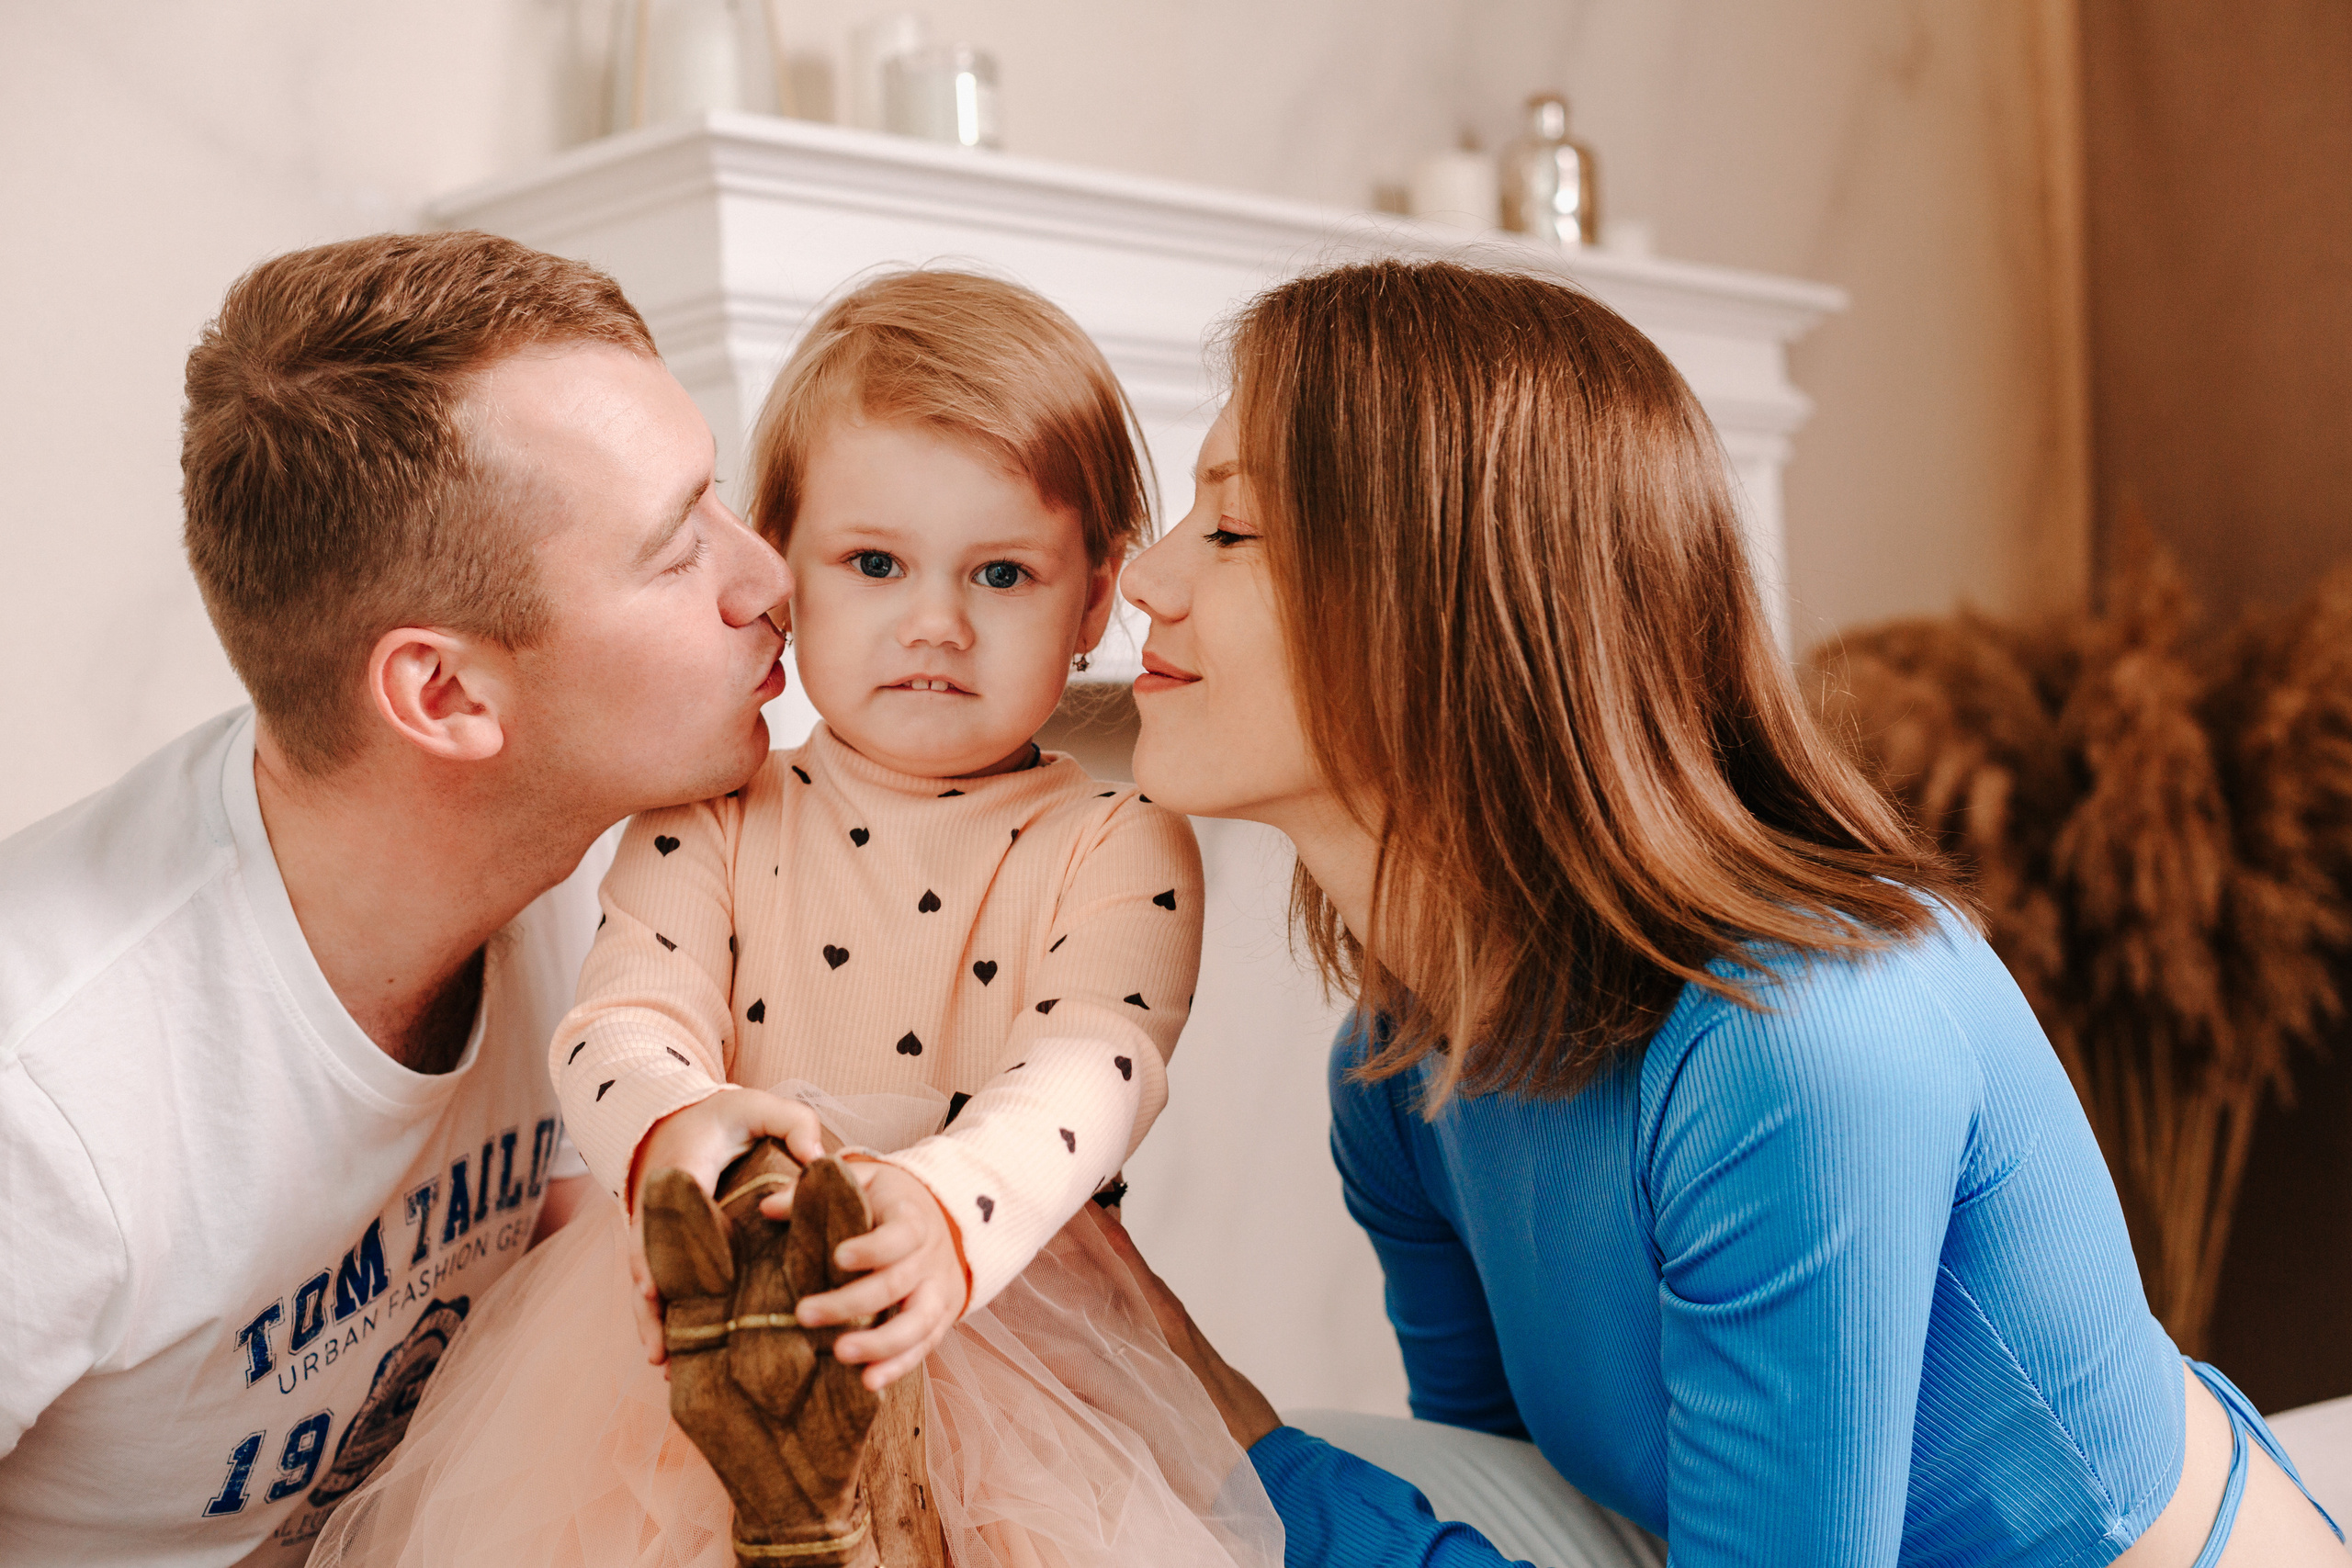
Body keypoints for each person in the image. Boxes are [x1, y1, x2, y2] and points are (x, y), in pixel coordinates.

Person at [1108, 259, 2349, 1568]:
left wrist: (1238, 1437)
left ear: (1450, 600)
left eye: (1233, 530)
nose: (1146, 577)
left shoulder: (1800, 1040)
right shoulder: (1399, 1076)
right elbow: (1489, 1503)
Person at [306, 270, 1283, 1568]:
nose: (934, 624)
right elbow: (622, 1014)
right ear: (785, 563)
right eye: (874, 563)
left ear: (1095, 598)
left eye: (1002, 573)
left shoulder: (1117, 840)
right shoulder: (710, 810)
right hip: (710, 1325)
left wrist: (942, 1209)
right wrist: (667, 1129)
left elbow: (1095, 1063)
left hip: (997, 1321)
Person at [0, 231, 794, 1565]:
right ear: (445, 696)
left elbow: (576, 1320)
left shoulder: (599, 875)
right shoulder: (48, 1091)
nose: (767, 577)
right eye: (679, 549)